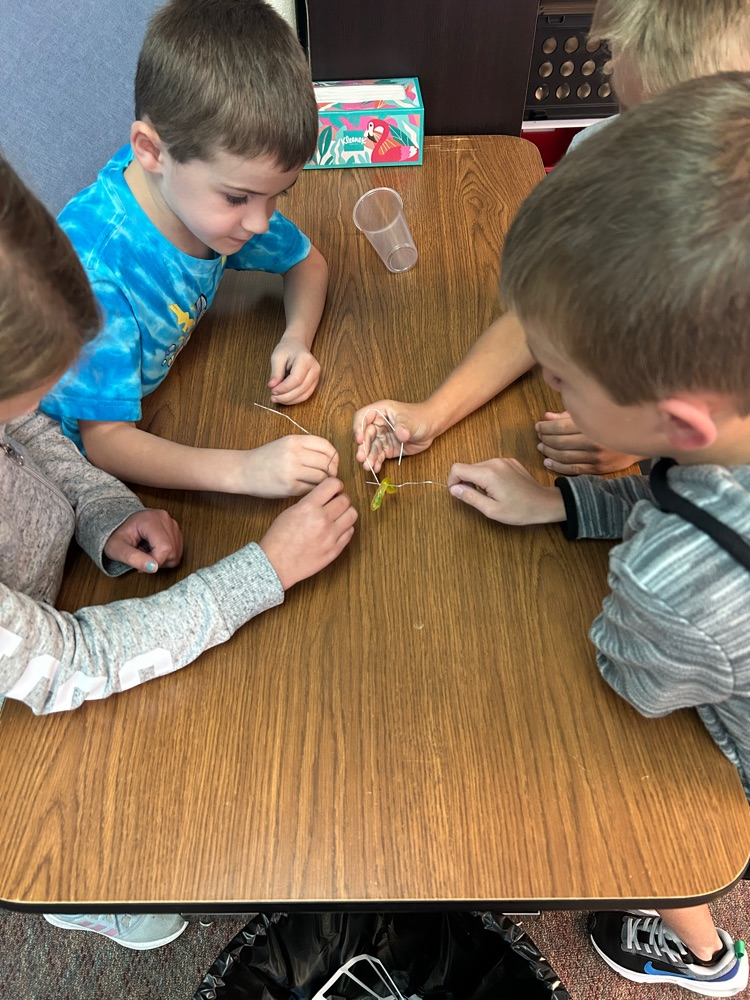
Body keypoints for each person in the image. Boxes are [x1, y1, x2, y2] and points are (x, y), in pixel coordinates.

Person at [0, 156, 357, 948]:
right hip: (32, 676)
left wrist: (101, 509)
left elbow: (26, 431)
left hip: (43, 587)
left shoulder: (15, 398)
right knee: (54, 832)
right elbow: (70, 664)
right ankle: (77, 895)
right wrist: (264, 569)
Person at [447, 73, 750, 996]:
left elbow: (633, 679)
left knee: (628, 793)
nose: (552, 394)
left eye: (565, 379)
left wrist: (625, 559)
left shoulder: (669, 584)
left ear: (678, 420)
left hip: (717, 733)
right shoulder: (718, 432)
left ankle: (708, 956)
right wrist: (570, 503)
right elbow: (694, 489)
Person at [353, 0, 750, 481]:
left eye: (647, 121)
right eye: (623, 109)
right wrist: (432, 413)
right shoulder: (601, 158)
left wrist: (643, 442)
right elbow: (548, 307)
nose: (622, 138)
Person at [40, 0, 335, 499]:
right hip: (59, 469)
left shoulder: (198, 194)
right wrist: (245, 470)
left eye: (277, 194)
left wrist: (296, 339)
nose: (260, 222)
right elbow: (104, 442)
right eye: (239, 197)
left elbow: (307, 261)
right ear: (151, 151)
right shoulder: (94, 276)